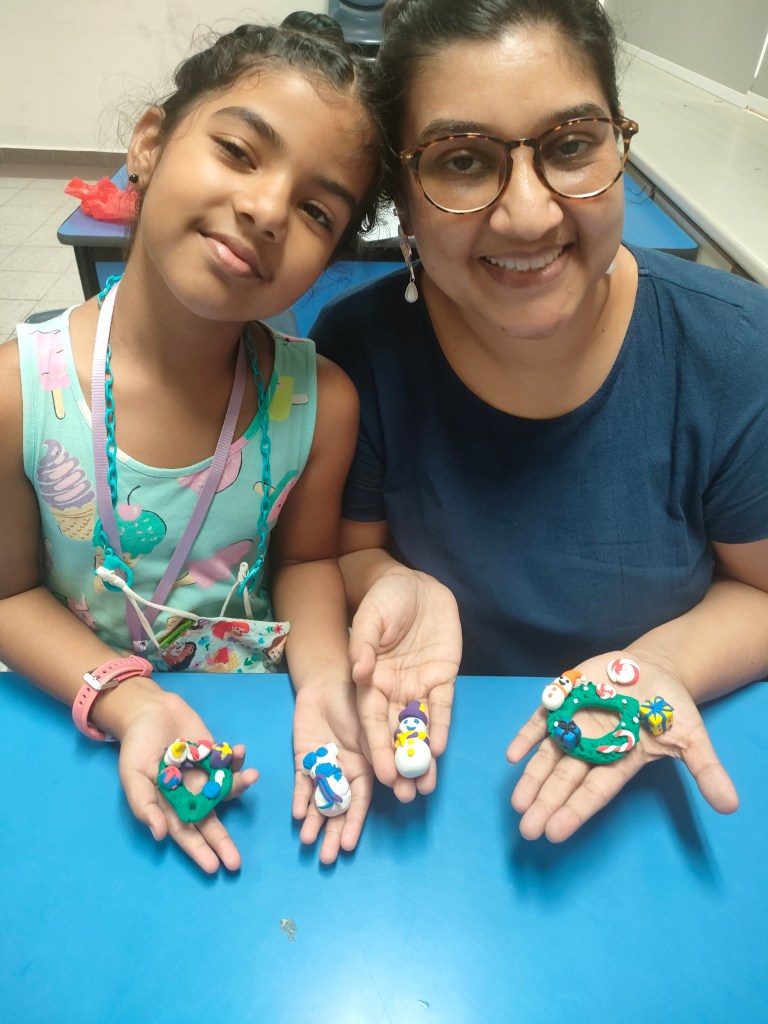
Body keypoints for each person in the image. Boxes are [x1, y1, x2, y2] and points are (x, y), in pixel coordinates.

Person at [311, 0, 768, 833]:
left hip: (659, 777)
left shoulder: (735, 351)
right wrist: (387, 581)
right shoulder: (357, 351)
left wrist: (659, 665)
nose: (528, 214)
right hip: (427, 781)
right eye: (461, 160)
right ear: (401, 199)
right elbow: (344, 550)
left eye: (569, 145)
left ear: (620, 150)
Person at [0, 20, 384, 871]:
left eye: (317, 210)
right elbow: (7, 596)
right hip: (76, 725)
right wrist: (128, 702)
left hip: (257, 749)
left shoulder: (319, 404)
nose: (267, 210)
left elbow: (308, 562)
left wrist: (324, 684)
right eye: (239, 152)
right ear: (149, 142)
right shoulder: (18, 394)